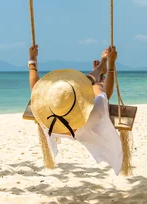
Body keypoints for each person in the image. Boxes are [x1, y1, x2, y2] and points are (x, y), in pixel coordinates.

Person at [28, 45, 124, 175]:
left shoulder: (49, 108)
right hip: (83, 128)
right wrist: (111, 64)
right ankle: (100, 74)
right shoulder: (94, 113)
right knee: (97, 88)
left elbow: (35, 87)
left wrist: (32, 59)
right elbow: (106, 93)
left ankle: (99, 70)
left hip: (58, 128)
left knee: (83, 84)